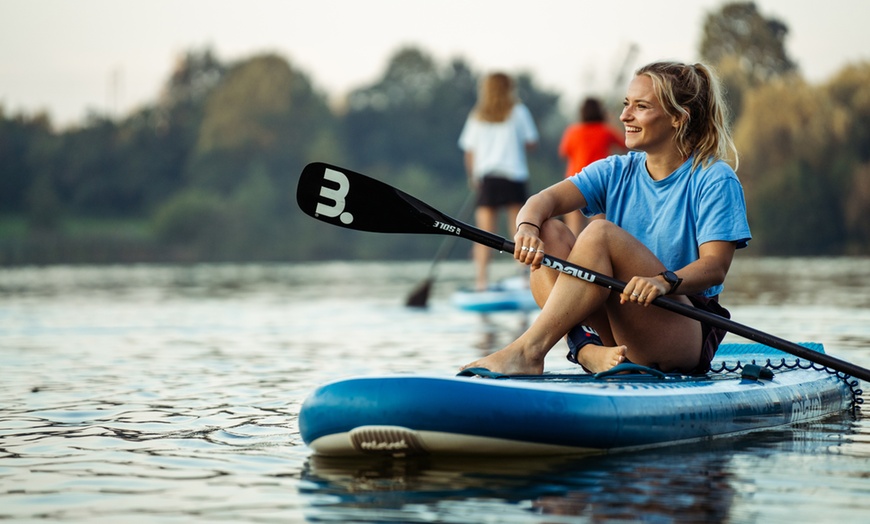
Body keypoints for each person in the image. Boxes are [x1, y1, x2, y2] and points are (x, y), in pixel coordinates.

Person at [461, 61, 751, 376]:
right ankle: (586, 349)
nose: (625, 116)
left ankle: (529, 350)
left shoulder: (714, 178)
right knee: (548, 231)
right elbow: (542, 201)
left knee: (600, 233)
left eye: (641, 107)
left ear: (679, 118)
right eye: (627, 104)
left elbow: (715, 267)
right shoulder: (617, 170)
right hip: (618, 319)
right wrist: (527, 229)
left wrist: (664, 281)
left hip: (683, 328)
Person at [459, 72, 539, 291]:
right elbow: (532, 142)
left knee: (483, 234)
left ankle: (481, 282)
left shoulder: (477, 115)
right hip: (514, 177)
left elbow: (469, 151)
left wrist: (473, 178)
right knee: (520, 232)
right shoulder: (519, 111)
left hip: (487, 180)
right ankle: (525, 280)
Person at [558, 97, 626, 234]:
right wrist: (610, 122)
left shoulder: (573, 131)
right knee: (597, 226)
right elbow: (624, 144)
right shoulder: (605, 130)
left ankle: (571, 254)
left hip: (574, 181)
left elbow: (563, 152)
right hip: (599, 181)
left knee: (573, 226)